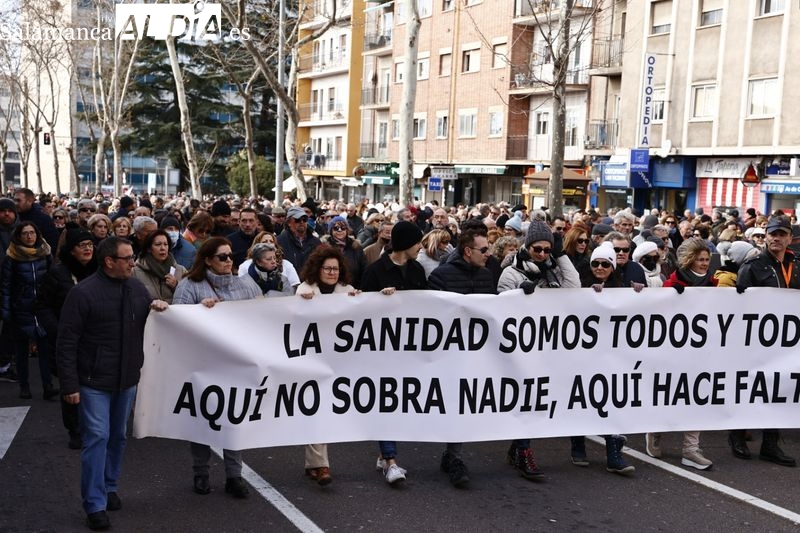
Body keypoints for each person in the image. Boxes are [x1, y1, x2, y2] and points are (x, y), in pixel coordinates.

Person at [56, 237, 168, 531]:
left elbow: (154, 319)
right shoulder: (83, 293)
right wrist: (69, 385)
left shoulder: (136, 288)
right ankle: (95, 504)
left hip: (126, 379)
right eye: (127, 258)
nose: (133, 262)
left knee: (117, 436)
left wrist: (159, 307)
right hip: (93, 381)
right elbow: (66, 342)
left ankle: (109, 486)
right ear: (109, 261)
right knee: (97, 437)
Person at [172, 237, 262, 499]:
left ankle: (234, 476)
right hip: (203, 365)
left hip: (235, 364)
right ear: (208, 260)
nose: (228, 260)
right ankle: (201, 472)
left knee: (233, 419)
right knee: (202, 420)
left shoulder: (245, 283)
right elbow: (178, 322)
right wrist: (200, 312)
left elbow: (264, 314)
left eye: (231, 255)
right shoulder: (189, 286)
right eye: (222, 257)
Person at [496, 220, 579, 479]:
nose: (542, 254)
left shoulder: (554, 270)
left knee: (536, 401)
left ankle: (518, 447)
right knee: (527, 399)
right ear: (527, 247)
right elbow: (500, 306)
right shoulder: (511, 272)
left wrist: (561, 255)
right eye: (537, 249)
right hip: (521, 349)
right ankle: (524, 452)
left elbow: (574, 288)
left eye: (547, 250)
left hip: (547, 347)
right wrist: (520, 296)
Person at [427, 228, 495, 487]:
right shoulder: (441, 275)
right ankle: (454, 457)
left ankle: (452, 455)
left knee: (466, 403)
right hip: (448, 352)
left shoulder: (487, 275)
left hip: (477, 351)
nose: (488, 254)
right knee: (453, 403)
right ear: (468, 251)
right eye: (484, 250)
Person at [361, 221, 427, 484]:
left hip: (410, 349)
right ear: (405, 244)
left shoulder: (418, 270)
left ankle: (383, 455)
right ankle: (390, 461)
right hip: (382, 350)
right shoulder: (375, 271)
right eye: (417, 242)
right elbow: (360, 311)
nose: (420, 247)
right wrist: (379, 300)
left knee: (399, 404)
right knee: (386, 402)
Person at [730, 215, 798, 467]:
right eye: (772, 234)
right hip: (756, 340)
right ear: (766, 236)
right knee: (750, 387)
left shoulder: (796, 264)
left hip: (787, 341)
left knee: (779, 389)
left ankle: (770, 444)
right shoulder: (753, 265)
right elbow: (739, 305)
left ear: (790, 238)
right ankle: (737, 435)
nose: (776, 238)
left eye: (781, 234)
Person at [649, 238, 717, 470]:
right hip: (673, 353)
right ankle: (655, 431)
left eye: (707, 259)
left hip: (701, 353)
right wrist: (671, 296)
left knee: (697, 397)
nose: (705, 264)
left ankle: (690, 449)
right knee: (669, 395)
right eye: (700, 260)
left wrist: (738, 297)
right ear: (689, 260)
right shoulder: (672, 283)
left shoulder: (714, 285)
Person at [295, 246, 361, 486]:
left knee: (325, 411)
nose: (332, 273)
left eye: (336, 269)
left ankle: (313, 464)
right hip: (311, 359)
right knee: (316, 410)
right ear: (318, 269)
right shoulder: (304, 290)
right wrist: (302, 303)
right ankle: (321, 465)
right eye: (327, 268)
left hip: (338, 361)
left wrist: (366, 300)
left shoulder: (347, 290)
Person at [579, 242, 639, 476]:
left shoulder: (622, 289)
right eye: (596, 263)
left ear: (613, 267)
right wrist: (586, 294)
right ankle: (577, 444)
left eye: (605, 264)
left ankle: (614, 455)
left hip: (612, 358)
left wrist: (639, 295)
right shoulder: (577, 286)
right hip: (583, 356)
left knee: (612, 401)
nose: (600, 267)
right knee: (580, 400)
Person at [35, 227, 97, 450]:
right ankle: (75, 430)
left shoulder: (99, 270)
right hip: (67, 341)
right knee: (71, 385)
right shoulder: (57, 274)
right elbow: (42, 306)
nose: (88, 249)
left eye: (90, 245)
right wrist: (58, 330)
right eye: (82, 245)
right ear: (71, 250)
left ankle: (94, 425)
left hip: (94, 340)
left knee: (94, 384)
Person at [1, 222, 56, 400]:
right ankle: (24, 386)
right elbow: (6, 286)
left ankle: (48, 386)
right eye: (25, 233)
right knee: (21, 350)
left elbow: (52, 278)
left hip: (41, 307)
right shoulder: (11, 257)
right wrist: (6, 311)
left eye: (32, 232)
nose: (29, 236)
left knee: (45, 348)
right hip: (21, 308)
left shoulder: (44, 253)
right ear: (19, 236)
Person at [132, 229, 187, 304]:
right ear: (149, 249)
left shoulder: (181, 270)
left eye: (165, 244)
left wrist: (176, 285)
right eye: (158, 244)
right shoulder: (135, 272)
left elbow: (189, 296)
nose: (163, 248)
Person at [320, 217, 367, 289]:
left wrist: (359, 288)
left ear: (347, 230)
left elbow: (364, 269)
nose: (340, 230)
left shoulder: (356, 247)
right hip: (329, 290)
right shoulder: (323, 247)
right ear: (331, 230)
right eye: (336, 228)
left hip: (353, 289)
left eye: (343, 228)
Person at [278, 206, 322, 277]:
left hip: (310, 281)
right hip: (289, 281)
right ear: (289, 222)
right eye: (297, 220)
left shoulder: (316, 242)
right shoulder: (280, 241)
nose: (302, 222)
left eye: (304, 219)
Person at [13, 187, 59, 254]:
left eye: (18, 200)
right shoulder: (12, 217)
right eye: (14, 200)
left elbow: (52, 242)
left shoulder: (43, 219)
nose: (15, 203)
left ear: (29, 201)